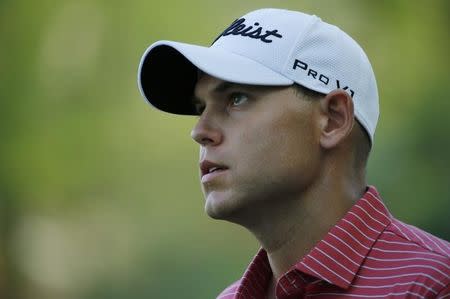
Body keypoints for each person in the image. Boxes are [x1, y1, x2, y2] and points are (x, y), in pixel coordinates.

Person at [137, 8, 450, 299]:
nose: (199, 130)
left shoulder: (434, 284)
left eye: (237, 98)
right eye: (200, 107)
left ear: (333, 119)